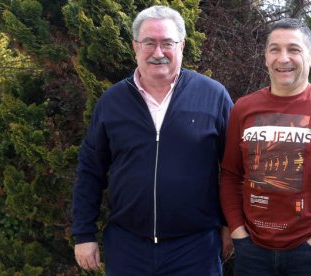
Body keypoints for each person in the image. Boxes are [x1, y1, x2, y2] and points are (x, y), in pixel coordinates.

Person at [72, 5, 234, 275]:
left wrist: (231, 225)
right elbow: (90, 171)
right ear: (135, 46)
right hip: (128, 246)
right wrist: (84, 234)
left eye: (167, 43)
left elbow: (233, 169)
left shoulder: (213, 96)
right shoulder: (112, 102)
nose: (158, 53)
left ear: (181, 45)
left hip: (196, 248)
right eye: (149, 43)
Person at [220, 18, 311, 276]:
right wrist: (237, 231)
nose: (283, 58)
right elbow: (231, 175)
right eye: (274, 49)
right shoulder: (244, 109)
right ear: (266, 58)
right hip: (253, 252)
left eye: (294, 49)